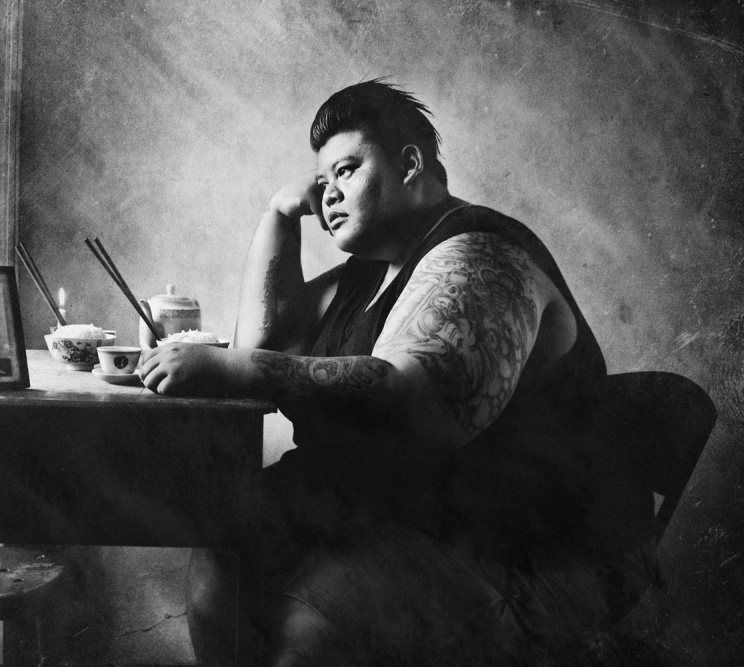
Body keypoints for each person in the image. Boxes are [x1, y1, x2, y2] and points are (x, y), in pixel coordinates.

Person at [138, 80, 659, 665]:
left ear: (409, 165)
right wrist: (278, 216)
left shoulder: (480, 252)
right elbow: (263, 342)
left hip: (535, 551)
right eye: (321, 182)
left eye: (346, 171)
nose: (328, 194)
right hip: (411, 517)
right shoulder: (367, 271)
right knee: (222, 561)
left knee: (315, 631)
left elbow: (421, 405)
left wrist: (234, 369)